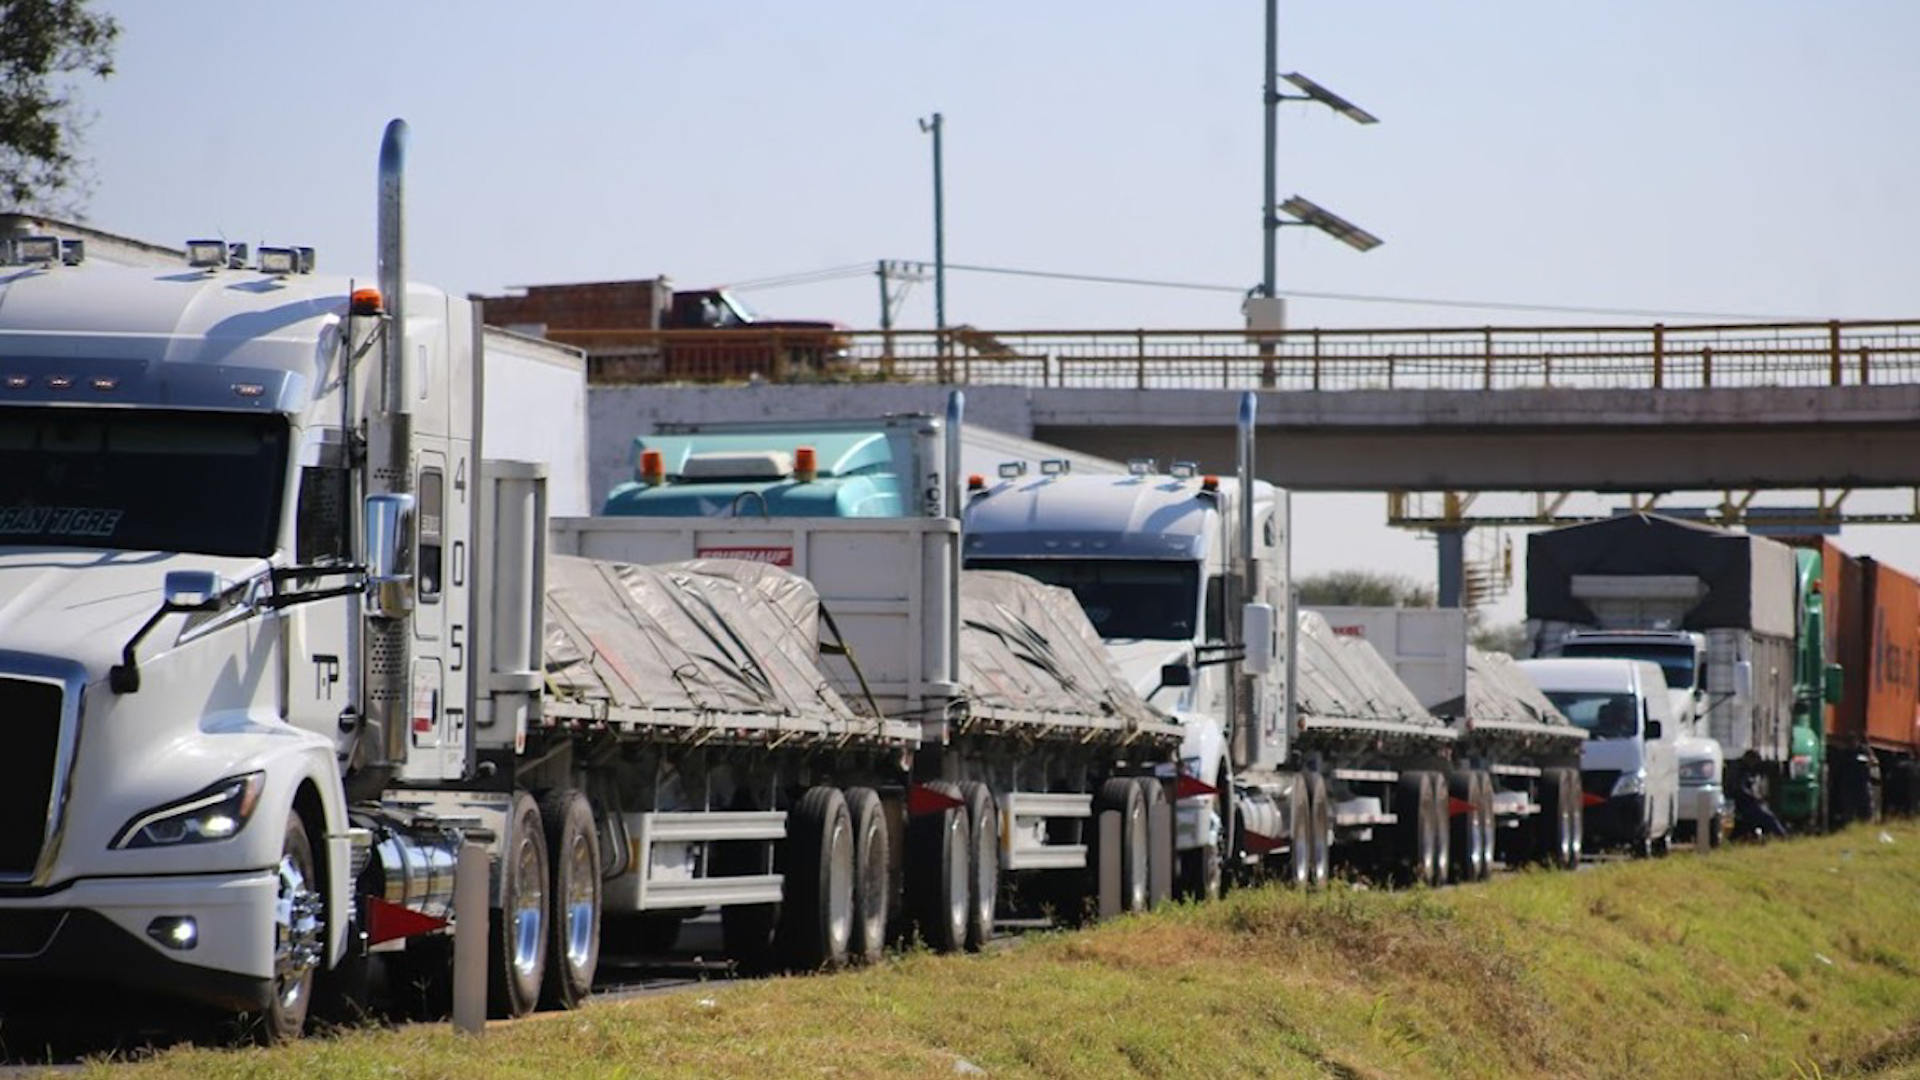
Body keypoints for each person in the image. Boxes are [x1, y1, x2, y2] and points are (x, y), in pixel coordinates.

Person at [1732, 750, 1788, 840]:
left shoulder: (1748, 770)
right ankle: (1782, 836)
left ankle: (1781, 835)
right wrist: (1754, 798)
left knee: (1768, 814)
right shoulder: (1739, 770)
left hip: (1750, 803)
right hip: (1744, 804)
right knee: (1767, 816)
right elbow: (1740, 789)